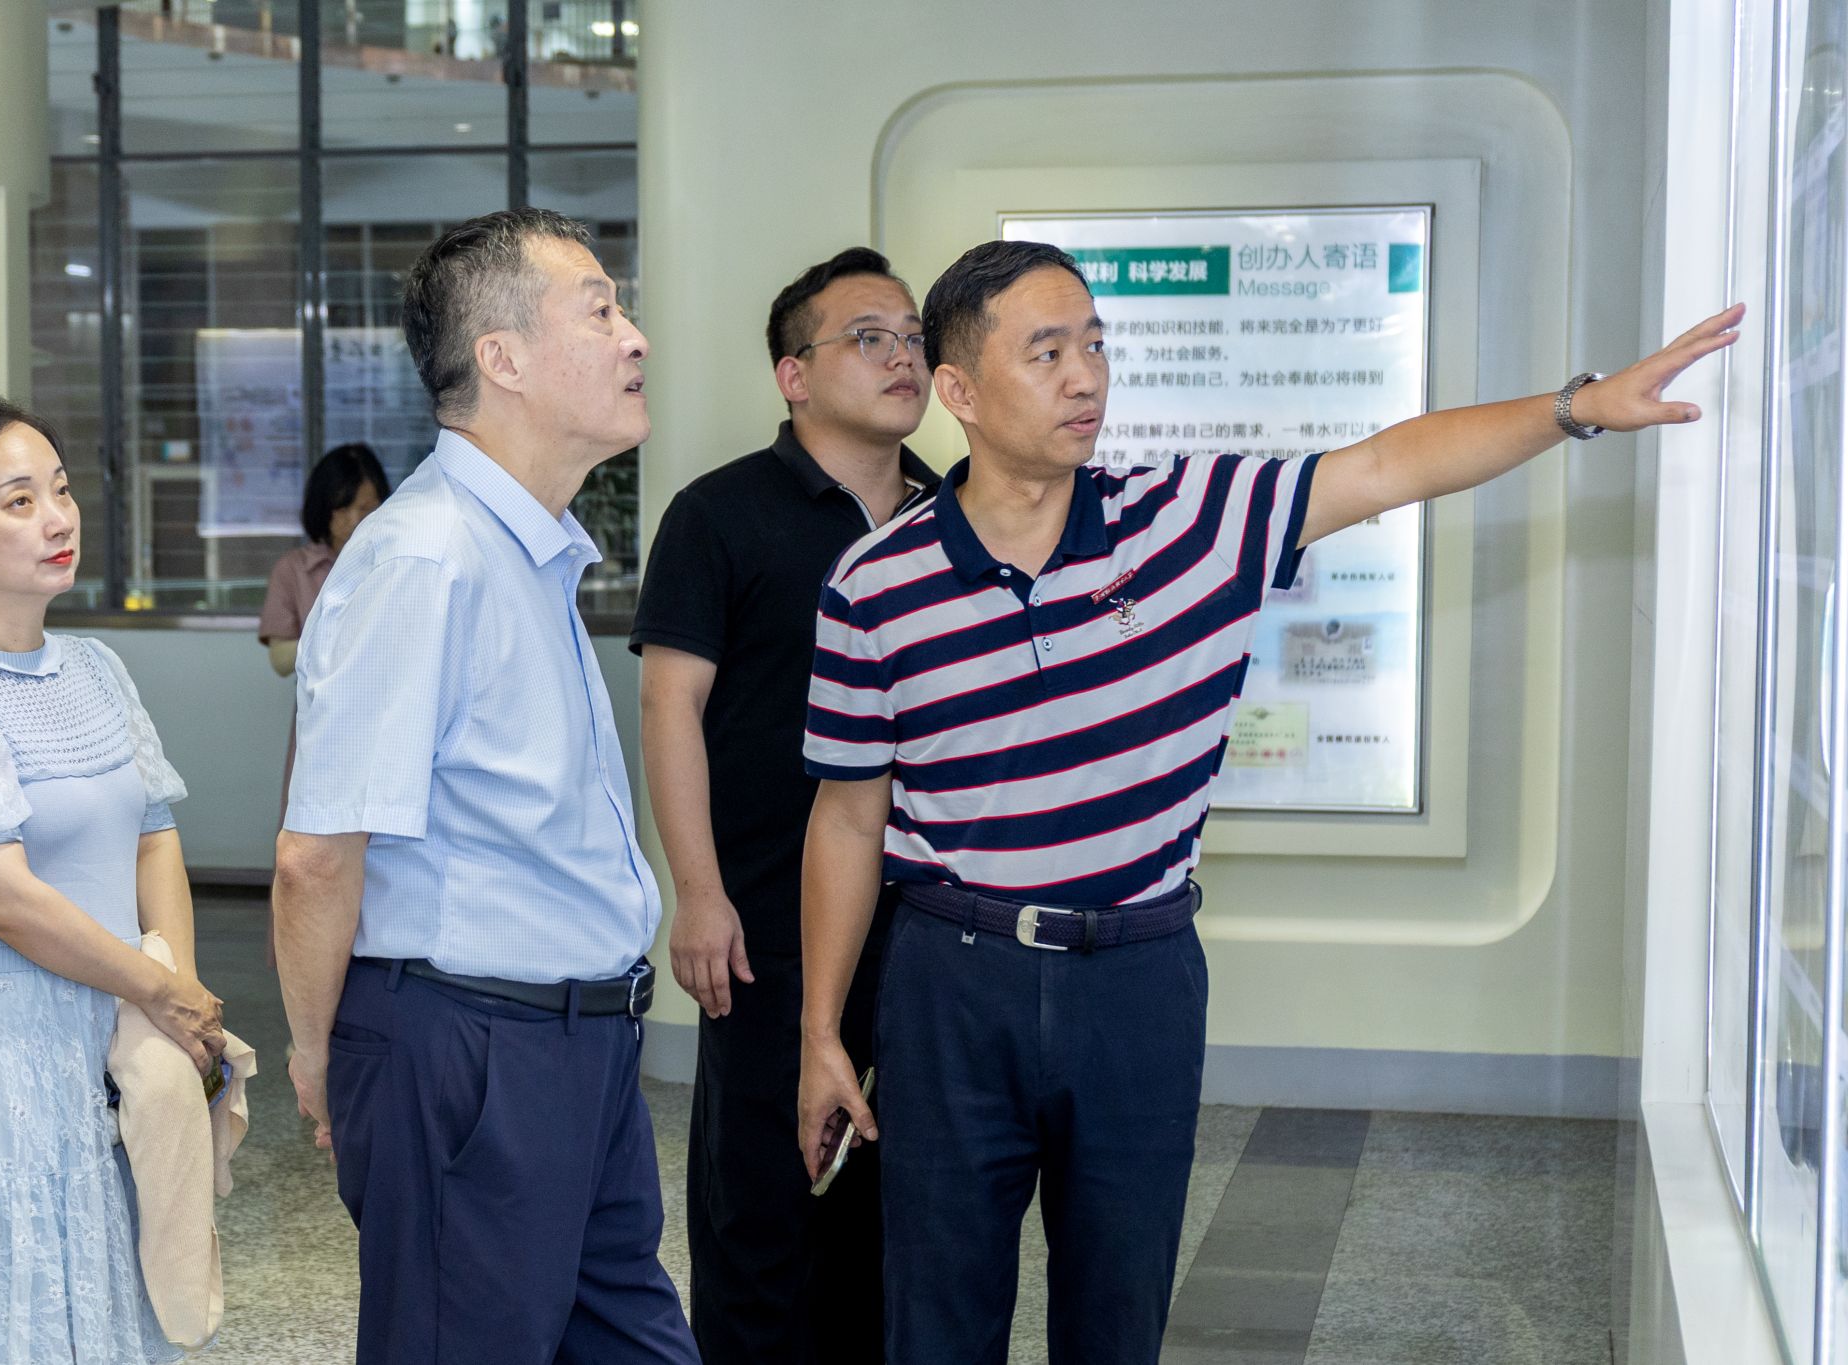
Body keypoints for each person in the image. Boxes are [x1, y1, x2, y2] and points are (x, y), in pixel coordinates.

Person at [794, 239, 1742, 1364]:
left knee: (1118, 1314)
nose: (1085, 376)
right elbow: (847, 818)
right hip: (952, 980)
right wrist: (819, 1030)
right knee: (936, 1319)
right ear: (957, 389)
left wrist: (1576, 408)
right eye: (1046, 353)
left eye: (1094, 344)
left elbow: (1387, 466)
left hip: (1137, 977)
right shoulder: (875, 583)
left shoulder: (1193, 518)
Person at [271, 206, 698, 1365]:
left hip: (580, 1039)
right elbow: (317, 853)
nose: (634, 337)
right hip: (473, 1043)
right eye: (598, 311)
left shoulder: (527, 547)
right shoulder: (425, 557)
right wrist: (318, 1057)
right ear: (500, 358)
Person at [0, 394, 226, 1364]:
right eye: (18, 501)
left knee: (116, 1290)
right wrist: (162, 990)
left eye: (60, 491)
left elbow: (153, 835)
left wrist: (177, 996)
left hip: (123, 1034)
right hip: (4, 1053)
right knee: (20, 1308)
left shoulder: (96, 668)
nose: (57, 518)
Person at [632, 247, 937, 1364]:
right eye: (869, 337)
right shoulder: (719, 514)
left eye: (913, 338)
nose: (902, 357)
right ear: (793, 374)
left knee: (900, 1227)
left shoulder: (953, 516)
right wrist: (698, 893)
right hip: (764, 929)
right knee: (765, 1216)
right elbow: (670, 705)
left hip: (929, 932)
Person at [257, 442, 390, 806]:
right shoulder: (294, 569)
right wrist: (341, 634)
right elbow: (280, 660)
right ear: (323, 509)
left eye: (366, 508)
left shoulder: (394, 564)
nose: (354, 521)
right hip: (320, 724)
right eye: (342, 509)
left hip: (383, 719)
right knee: (311, 826)